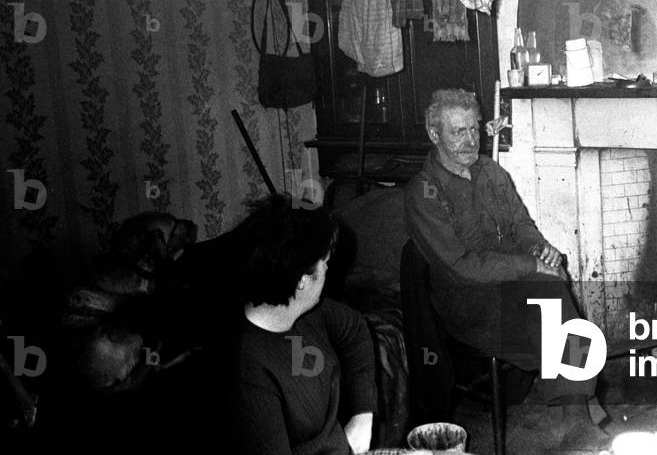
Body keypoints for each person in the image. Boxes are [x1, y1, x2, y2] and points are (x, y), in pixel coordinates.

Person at [404, 89, 608, 440]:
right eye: (458, 132)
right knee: (556, 312)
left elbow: (521, 226)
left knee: (554, 293)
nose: (470, 140)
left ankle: (575, 415)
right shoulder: (423, 192)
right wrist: (529, 265)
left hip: (510, 286)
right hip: (467, 302)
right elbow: (461, 267)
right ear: (434, 134)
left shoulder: (491, 172)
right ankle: (578, 415)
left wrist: (540, 249)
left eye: (474, 129)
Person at [227, 195, 377, 455]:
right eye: (326, 263)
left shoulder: (306, 312)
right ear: (301, 281)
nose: (329, 271)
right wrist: (343, 446)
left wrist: (362, 414)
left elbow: (356, 331)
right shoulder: (248, 372)